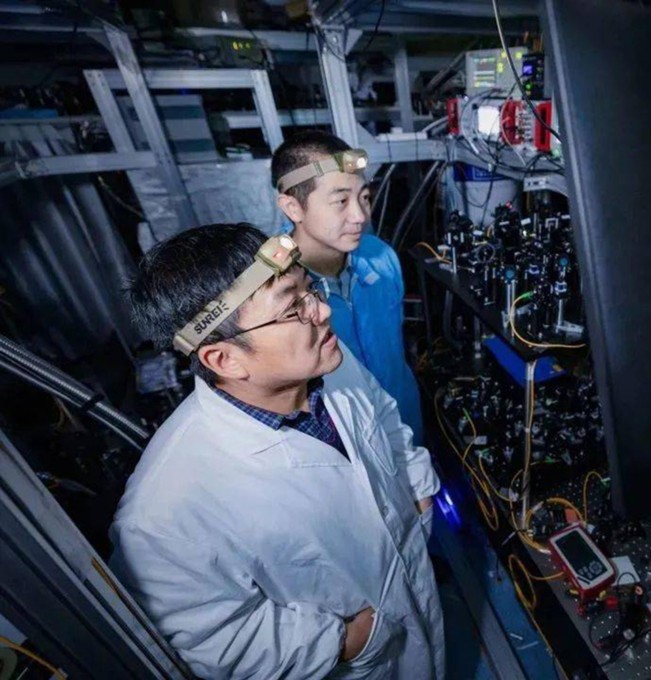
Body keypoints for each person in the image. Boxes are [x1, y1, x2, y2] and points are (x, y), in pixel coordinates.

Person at [109, 222, 444, 680]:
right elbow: (211, 640)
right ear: (224, 359)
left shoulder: (325, 359)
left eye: (311, 290)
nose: (322, 312)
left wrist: (418, 487)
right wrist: (346, 641)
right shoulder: (163, 514)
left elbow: (381, 413)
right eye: (293, 308)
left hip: (418, 597)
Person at [271, 131, 424, 443]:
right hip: (348, 443)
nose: (360, 216)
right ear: (293, 207)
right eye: (341, 201)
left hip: (407, 421)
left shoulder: (380, 257)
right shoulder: (274, 291)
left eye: (364, 197)